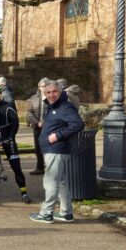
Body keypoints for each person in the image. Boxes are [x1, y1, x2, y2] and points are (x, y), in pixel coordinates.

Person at [29, 80, 85, 223]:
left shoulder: (65, 107)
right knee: (61, 181)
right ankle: (66, 212)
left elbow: (78, 124)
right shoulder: (53, 106)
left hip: (56, 150)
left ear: (60, 92)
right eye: (48, 92)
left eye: (54, 92)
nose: (51, 95)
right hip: (54, 150)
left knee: (51, 181)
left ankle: (46, 213)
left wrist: (57, 136)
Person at [0, 83, 31, 204]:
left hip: (8, 138)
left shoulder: (8, 106)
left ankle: (24, 193)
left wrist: (10, 137)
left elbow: (15, 123)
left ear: (1, 93)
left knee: (16, 168)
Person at [26, 78, 50, 175]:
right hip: (37, 127)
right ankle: (40, 167)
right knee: (38, 148)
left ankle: (50, 168)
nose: (42, 88)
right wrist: (37, 122)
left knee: (49, 148)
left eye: (44, 86)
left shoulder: (52, 97)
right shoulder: (33, 98)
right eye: (40, 86)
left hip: (49, 127)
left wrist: (46, 122)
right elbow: (29, 112)